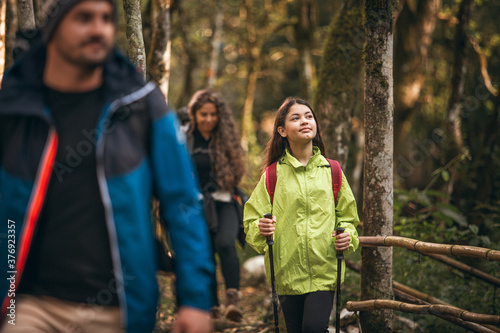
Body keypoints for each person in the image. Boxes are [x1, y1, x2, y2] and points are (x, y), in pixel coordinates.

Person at [0, 0, 214, 332]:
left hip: (119, 312)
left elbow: (182, 204)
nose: (98, 29)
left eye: (106, 19)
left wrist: (195, 300)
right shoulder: (16, 102)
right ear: (53, 26)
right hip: (29, 306)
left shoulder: (141, 103)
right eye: (84, 18)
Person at [243, 97, 360, 332]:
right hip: (286, 273)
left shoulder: (333, 171)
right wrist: (261, 228)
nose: (304, 121)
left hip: (323, 270)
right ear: (282, 131)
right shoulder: (272, 175)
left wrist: (347, 235)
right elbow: (251, 220)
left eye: (308, 116)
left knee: (314, 328)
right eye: (295, 118)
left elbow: (348, 218)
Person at [185, 89, 246, 322]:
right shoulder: (186, 138)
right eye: (204, 114)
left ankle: (233, 301)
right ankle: (212, 306)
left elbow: (237, 169)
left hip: (225, 202)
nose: (209, 119)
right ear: (195, 114)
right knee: (206, 253)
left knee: (225, 244)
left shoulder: (227, 138)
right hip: (198, 207)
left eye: (213, 114)